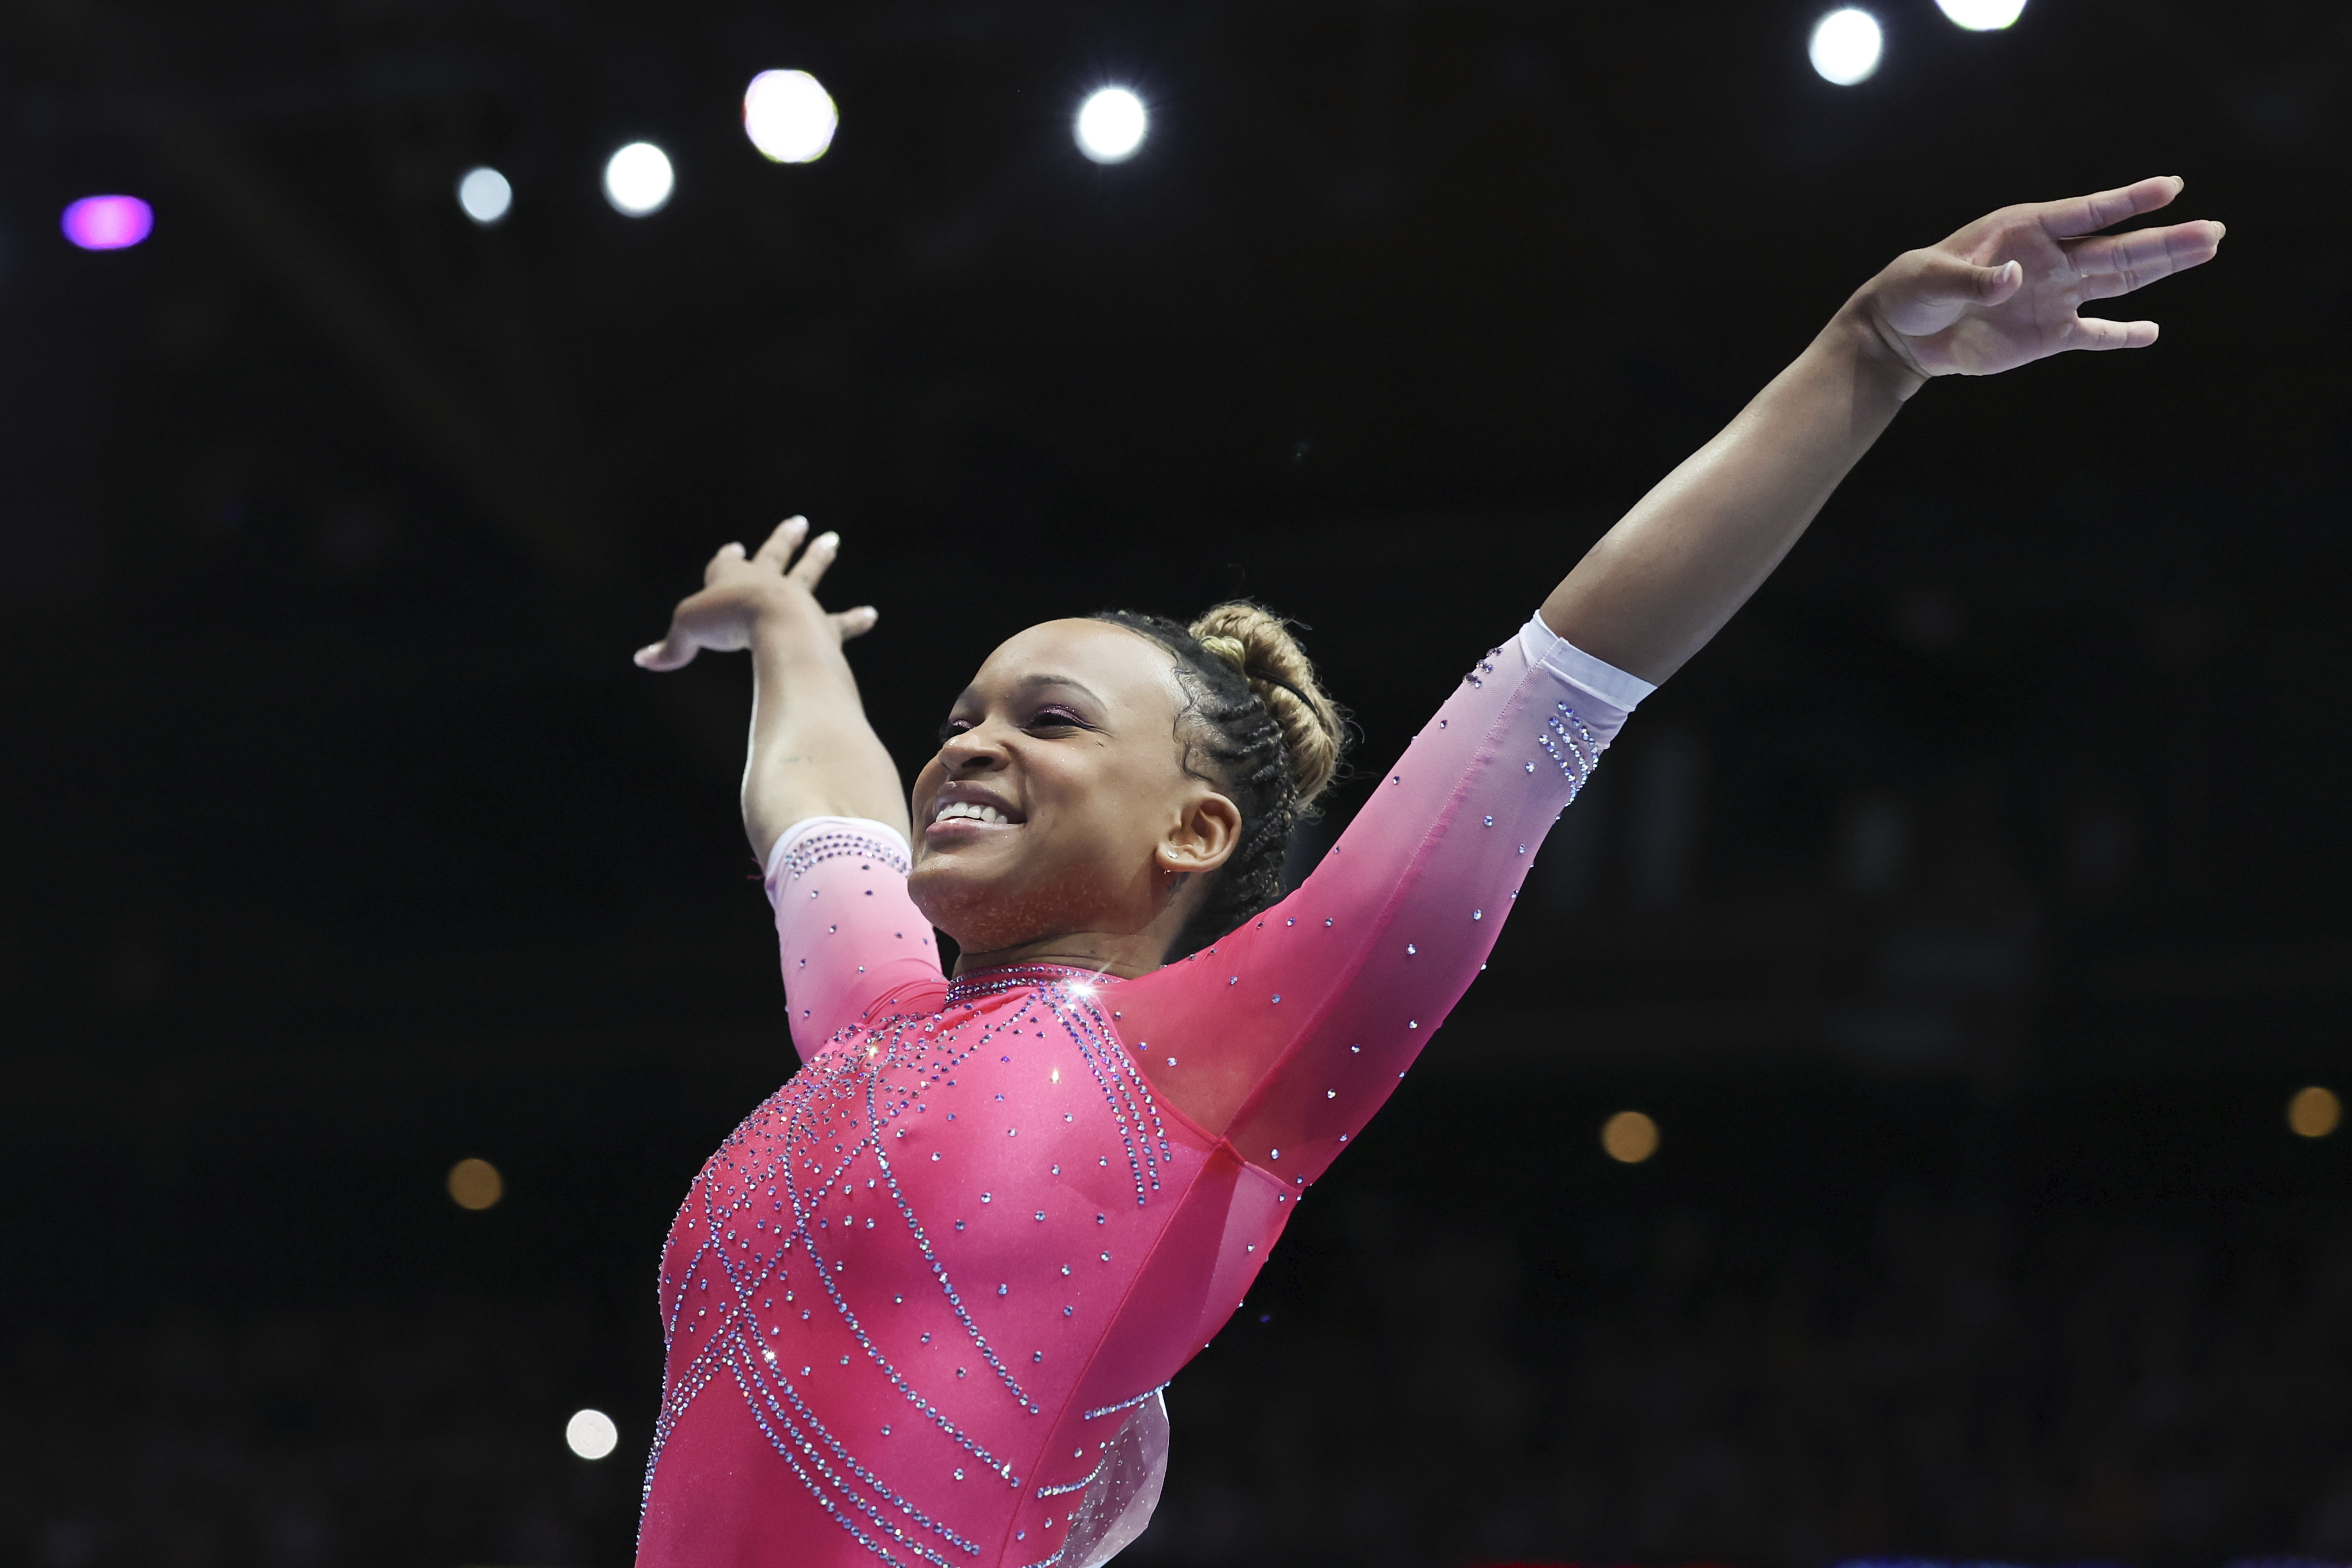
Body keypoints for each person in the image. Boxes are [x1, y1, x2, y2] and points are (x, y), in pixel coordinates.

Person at [627, 178, 2221, 1568]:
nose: (967, 745)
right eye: (962, 714)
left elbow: (1558, 685)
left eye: (1047, 721)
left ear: (1195, 833)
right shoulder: (873, 1022)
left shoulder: (1208, 1060)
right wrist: (775, 623)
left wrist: (1862, 360)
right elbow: (820, 808)